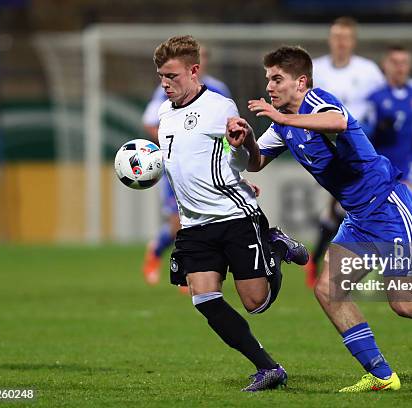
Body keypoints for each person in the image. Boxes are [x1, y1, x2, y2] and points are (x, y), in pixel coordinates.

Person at [226, 45, 412, 393]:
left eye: (277, 79)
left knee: (406, 305)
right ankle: (381, 374)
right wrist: (248, 141)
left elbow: (338, 121)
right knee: (329, 291)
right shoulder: (284, 124)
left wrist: (282, 118)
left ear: (301, 82)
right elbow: (256, 163)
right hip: (360, 217)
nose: (269, 86)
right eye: (268, 79)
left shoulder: (316, 102)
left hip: (390, 208)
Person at [152, 36, 308, 392]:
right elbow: (184, 163)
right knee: (205, 299)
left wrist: (245, 143)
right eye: (161, 75)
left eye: (172, 76)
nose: (165, 83)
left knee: (256, 303)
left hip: (233, 217)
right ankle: (269, 368)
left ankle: (275, 248)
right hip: (193, 225)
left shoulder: (219, 107)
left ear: (194, 70)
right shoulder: (163, 113)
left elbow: (244, 161)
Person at [142, 44, 232, 286]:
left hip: (208, 170)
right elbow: (150, 122)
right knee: (178, 225)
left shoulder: (219, 90)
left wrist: (226, 159)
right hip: (178, 169)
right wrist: (174, 144)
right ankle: (157, 253)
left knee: (207, 223)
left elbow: (227, 130)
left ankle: (194, 272)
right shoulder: (166, 91)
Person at [306, 16, 386, 287]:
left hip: (360, 151)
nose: (340, 42)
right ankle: (330, 264)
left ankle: (318, 262)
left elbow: (380, 107)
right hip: (326, 151)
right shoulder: (316, 69)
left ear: (353, 41)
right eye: (336, 37)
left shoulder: (369, 71)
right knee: (345, 208)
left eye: (345, 37)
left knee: (343, 208)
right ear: (330, 40)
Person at [367, 45, 412, 188]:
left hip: (408, 159)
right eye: (394, 62)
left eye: (404, 62)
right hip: (381, 160)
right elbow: (366, 129)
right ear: (385, 65)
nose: (399, 67)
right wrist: (378, 130)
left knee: (405, 200)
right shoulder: (375, 96)